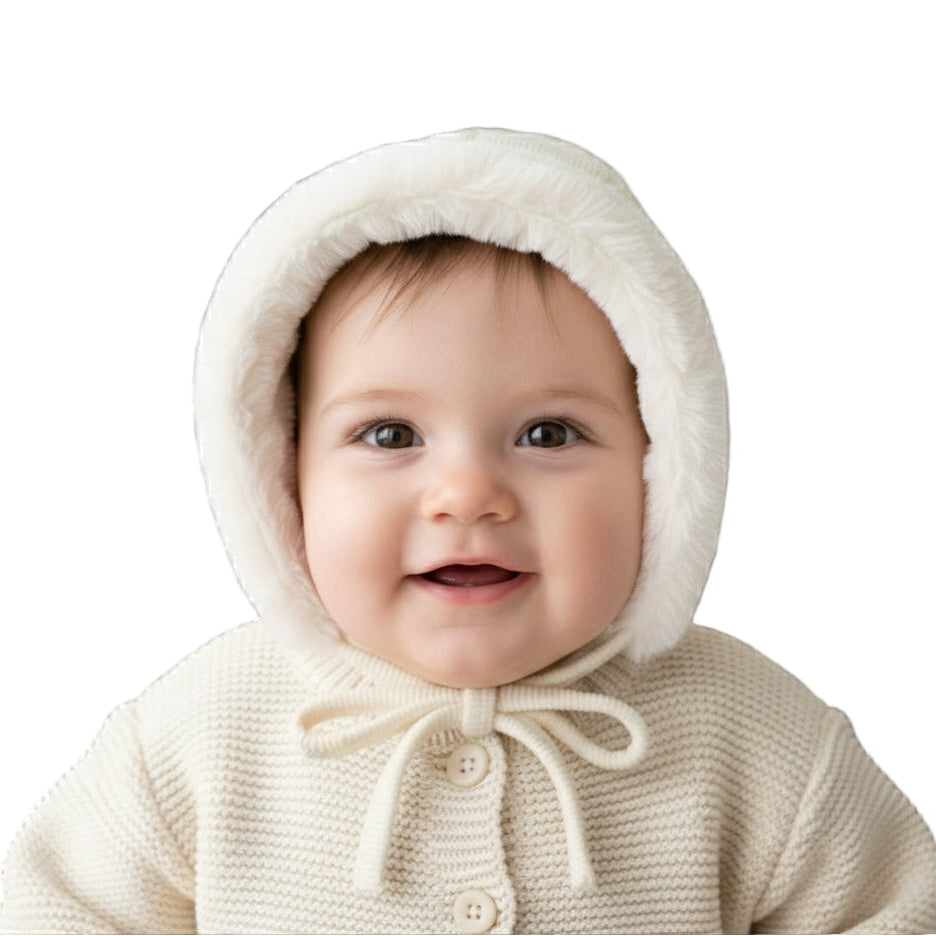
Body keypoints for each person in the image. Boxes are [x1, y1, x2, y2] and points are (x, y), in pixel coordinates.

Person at [2, 128, 934, 935]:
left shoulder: (756, 736)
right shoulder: (200, 737)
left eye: (548, 434)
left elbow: (901, 909)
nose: (467, 495)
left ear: (665, 467)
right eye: (390, 435)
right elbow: (47, 910)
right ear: (280, 479)